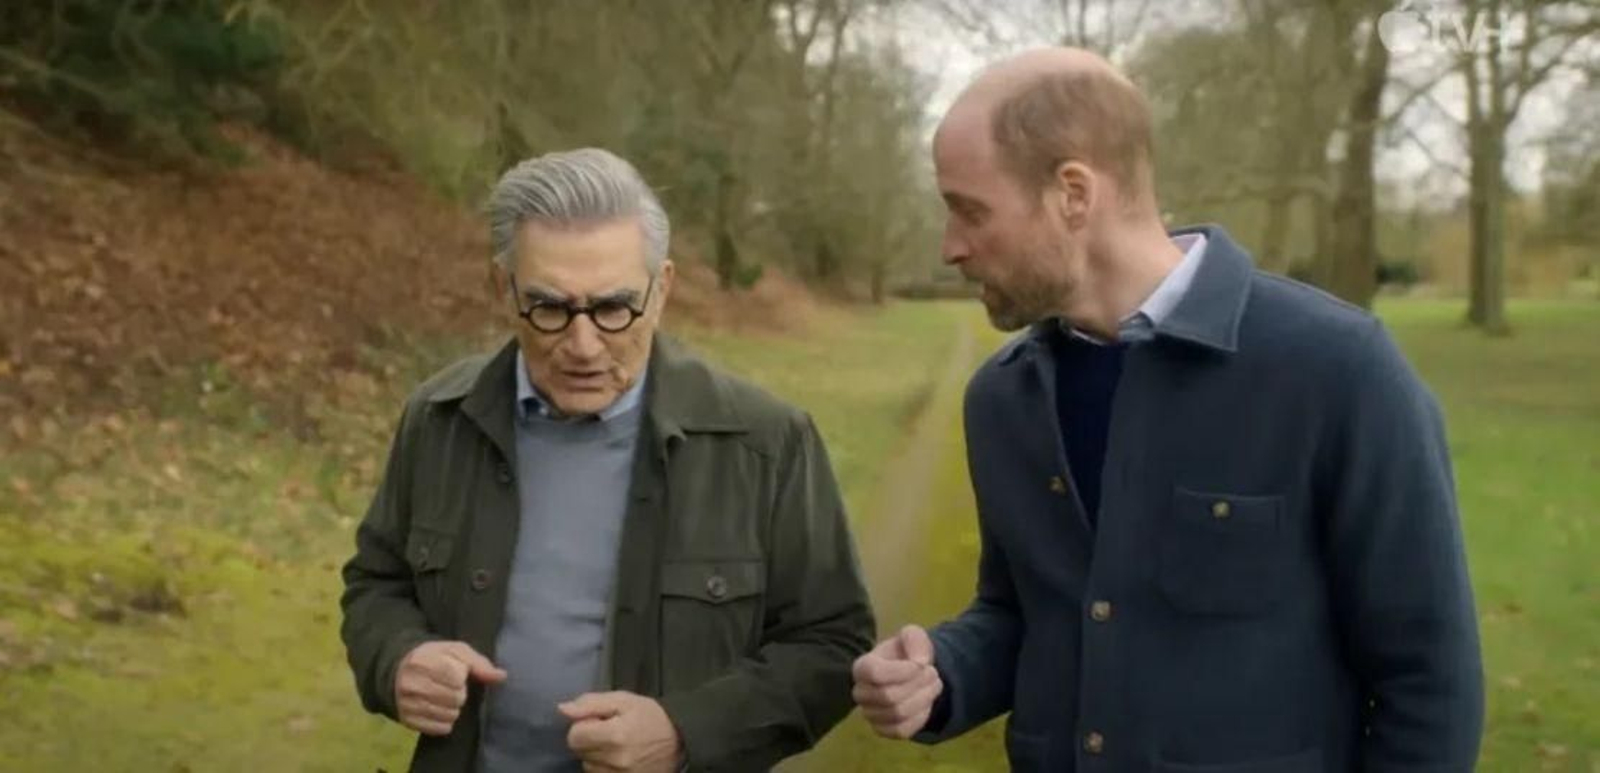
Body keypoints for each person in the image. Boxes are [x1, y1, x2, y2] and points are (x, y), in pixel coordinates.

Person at [851, 47, 1484, 772]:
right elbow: (1023, 612)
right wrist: (942, 672)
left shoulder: (1339, 370)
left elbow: (1430, 681)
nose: (950, 247)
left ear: (1073, 194)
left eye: (970, 210)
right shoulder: (1002, 399)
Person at [340, 148, 874, 772]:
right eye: (549, 308)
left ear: (662, 289)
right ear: (503, 290)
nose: (584, 346)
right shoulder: (438, 419)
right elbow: (377, 586)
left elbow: (831, 645)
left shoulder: (766, 443)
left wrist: (684, 733)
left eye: (614, 308)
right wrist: (397, 658)